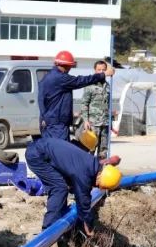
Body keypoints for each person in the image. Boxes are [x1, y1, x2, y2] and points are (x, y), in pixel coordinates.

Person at [28, 50, 114, 228]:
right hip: (56, 126)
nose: (70, 69)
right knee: (60, 169)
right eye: (70, 66)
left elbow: (50, 101)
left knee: (62, 167)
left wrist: (66, 114)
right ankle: (58, 208)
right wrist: (102, 74)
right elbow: (80, 81)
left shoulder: (49, 78)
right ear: (66, 65)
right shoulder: (60, 78)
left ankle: (60, 199)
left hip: (54, 123)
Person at [26, 136, 122, 235]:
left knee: (66, 185)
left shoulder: (93, 164)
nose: (96, 187)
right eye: (98, 185)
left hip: (43, 147)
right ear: (99, 177)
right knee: (59, 188)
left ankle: (60, 215)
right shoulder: (84, 174)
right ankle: (48, 231)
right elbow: (83, 202)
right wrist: (89, 225)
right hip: (37, 156)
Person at [78, 60, 111, 152]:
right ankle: (89, 166)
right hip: (93, 124)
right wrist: (85, 120)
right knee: (90, 149)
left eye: (103, 70)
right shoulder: (90, 85)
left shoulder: (107, 86)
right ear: (94, 70)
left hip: (105, 123)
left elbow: (108, 103)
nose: (101, 72)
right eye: (98, 70)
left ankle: (101, 166)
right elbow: (84, 103)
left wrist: (109, 121)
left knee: (103, 150)